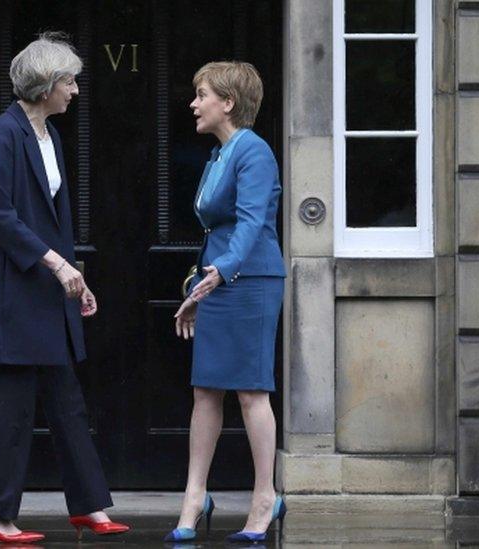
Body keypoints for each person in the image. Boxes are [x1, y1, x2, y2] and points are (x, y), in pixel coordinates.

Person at [0, 32, 129, 545]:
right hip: (13, 289)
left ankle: (90, 507)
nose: (76, 90)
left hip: (45, 286)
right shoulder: (2, 136)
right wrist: (58, 265)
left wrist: (73, 279)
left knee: (66, 399)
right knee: (12, 405)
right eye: (69, 81)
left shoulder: (47, 136)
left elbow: (51, 219)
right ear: (44, 86)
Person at [166, 61, 287, 544]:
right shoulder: (220, 155)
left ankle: (264, 497)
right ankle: (194, 496)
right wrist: (200, 285)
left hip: (250, 279)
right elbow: (216, 229)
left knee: (252, 390)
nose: (194, 104)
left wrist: (222, 273)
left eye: (201, 95)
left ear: (228, 102)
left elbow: (253, 221)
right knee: (205, 390)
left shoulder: (253, 151)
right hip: (218, 278)